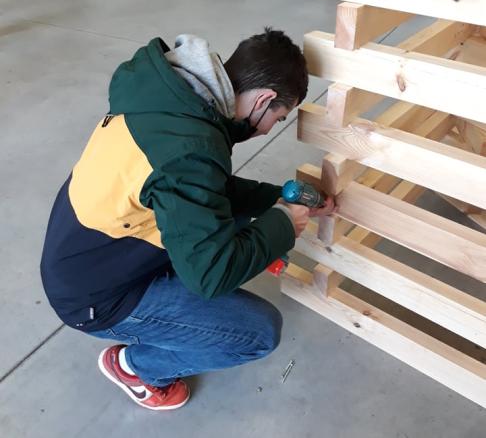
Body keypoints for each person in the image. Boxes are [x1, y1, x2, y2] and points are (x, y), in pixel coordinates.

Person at [40, 28, 335, 411]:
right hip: (96, 298)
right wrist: (283, 224)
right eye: (277, 119)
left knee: (229, 226)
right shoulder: (192, 149)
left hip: (86, 256)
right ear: (263, 99)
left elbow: (204, 189)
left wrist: (273, 199)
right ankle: (136, 368)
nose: (266, 131)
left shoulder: (168, 98)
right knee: (259, 332)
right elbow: (209, 276)